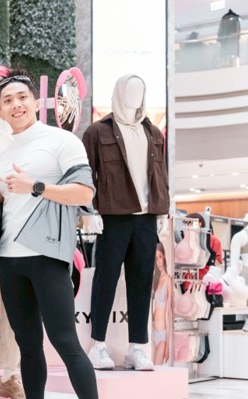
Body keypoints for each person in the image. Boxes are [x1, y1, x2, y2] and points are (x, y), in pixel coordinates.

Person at [0, 69, 118, 399]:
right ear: (0, 110)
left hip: (47, 256)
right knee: (27, 347)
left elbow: (85, 193)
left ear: (35, 101)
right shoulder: (2, 155)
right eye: (7, 100)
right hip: (10, 260)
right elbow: (3, 214)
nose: (16, 105)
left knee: (65, 341)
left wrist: (36, 187)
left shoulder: (61, 141)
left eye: (21, 97)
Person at [82, 74, 168, 372]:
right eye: (130, 91)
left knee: (142, 282)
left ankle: (137, 348)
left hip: (146, 218)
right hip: (112, 216)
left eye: (139, 92)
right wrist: (88, 210)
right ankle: (97, 345)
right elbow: (85, 173)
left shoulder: (153, 132)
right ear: (119, 93)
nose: (134, 97)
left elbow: (161, 175)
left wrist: (162, 211)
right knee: (105, 279)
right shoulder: (97, 131)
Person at [151, 242, 171, 365]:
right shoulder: (155, 280)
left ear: (164, 257)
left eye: (160, 257)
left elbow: (168, 314)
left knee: (157, 368)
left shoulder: (168, 280)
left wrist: (168, 344)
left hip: (162, 335)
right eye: (156, 258)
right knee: (149, 369)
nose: (158, 261)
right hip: (152, 331)